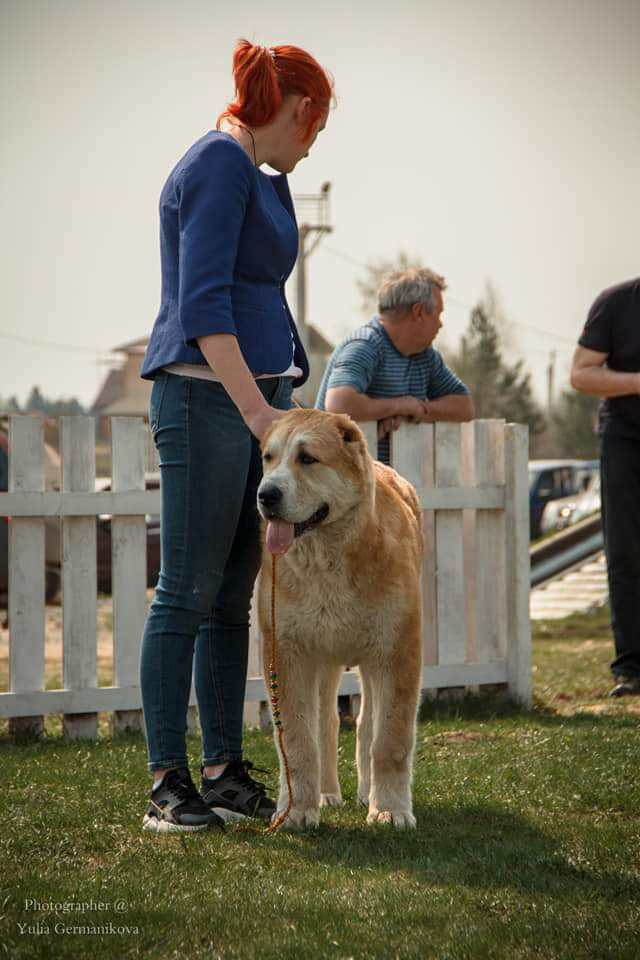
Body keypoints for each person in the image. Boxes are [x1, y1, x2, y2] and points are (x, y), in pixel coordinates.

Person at [138, 39, 333, 832]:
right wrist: (263, 420)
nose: (314, 142)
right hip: (207, 403)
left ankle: (221, 770)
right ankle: (165, 785)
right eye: (316, 127)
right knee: (185, 589)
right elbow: (203, 309)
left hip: (261, 407)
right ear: (298, 109)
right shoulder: (218, 162)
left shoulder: (257, 173)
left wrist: (283, 403)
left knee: (231, 596)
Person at [315, 268, 473, 462]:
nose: (440, 324)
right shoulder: (365, 345)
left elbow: (464, 407)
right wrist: (400, 405)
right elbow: (338, 404)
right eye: (438, 314)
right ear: (419, 312)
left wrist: (417, 410)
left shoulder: (425, 356)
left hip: (394, 481)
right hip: (346, 484)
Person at [570, 277, 640, 698]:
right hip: (626, 438)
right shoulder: (616, 302)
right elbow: (581, 374)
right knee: (626, 550)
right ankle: (631, 669)